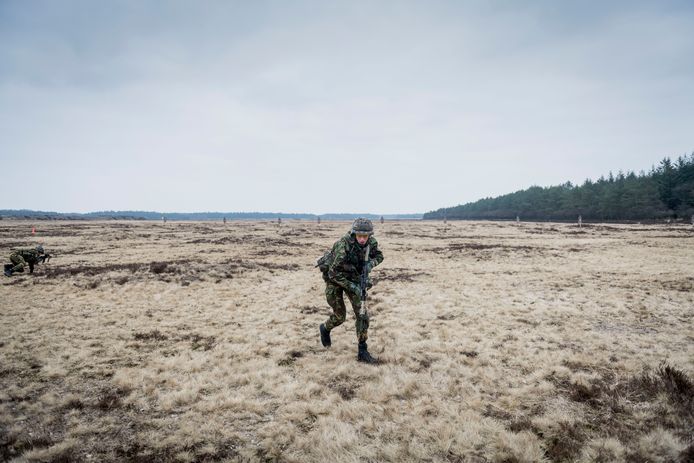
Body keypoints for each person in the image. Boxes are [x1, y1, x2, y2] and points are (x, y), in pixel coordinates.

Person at [318, 218, 384, 363]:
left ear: (369, 236)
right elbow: (333, 273)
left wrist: (370, 265)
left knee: (362, 315)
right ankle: (325, 328)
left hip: (353, 277)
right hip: (334, 279)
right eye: (359, 235)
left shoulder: (371, 244)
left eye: (365, 236)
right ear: (354, 234)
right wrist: (352, 287)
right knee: (340, 316)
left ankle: (362, 351)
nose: (362, 239)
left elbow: (380, 256)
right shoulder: (343, 246)